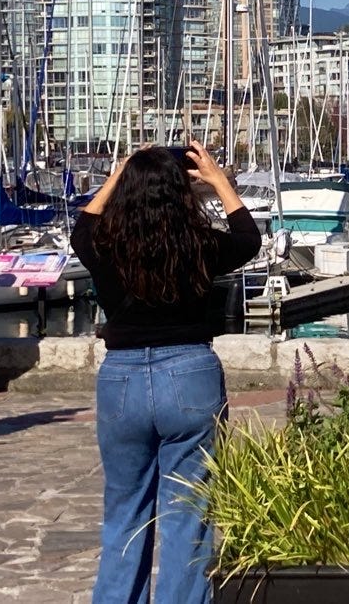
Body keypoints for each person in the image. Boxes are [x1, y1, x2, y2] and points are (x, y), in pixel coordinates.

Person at [71, 142, 261, 604]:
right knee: (188, 514)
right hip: (189, 372)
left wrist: (120, 173)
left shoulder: (105, 245)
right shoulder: (199, 243)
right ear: (182, 192)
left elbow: (83, 226)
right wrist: (219, 181)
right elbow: (248, 239)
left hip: (121, 380)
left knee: (125, 513)